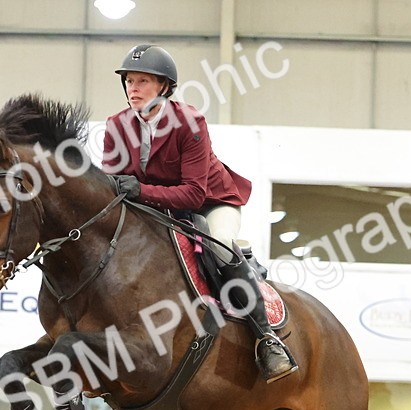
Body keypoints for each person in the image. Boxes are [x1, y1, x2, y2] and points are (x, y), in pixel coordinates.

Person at [101, 43, 297, 384]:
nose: (134, 88)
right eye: (130, 81)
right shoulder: (116, 125)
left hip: (211, 202)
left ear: (163, 86)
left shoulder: (189, 122)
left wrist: (140, 191)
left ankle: (266, 338)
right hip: (154, 207)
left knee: (220, 244)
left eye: (143, 81)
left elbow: (193, 193)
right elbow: (113, 185)